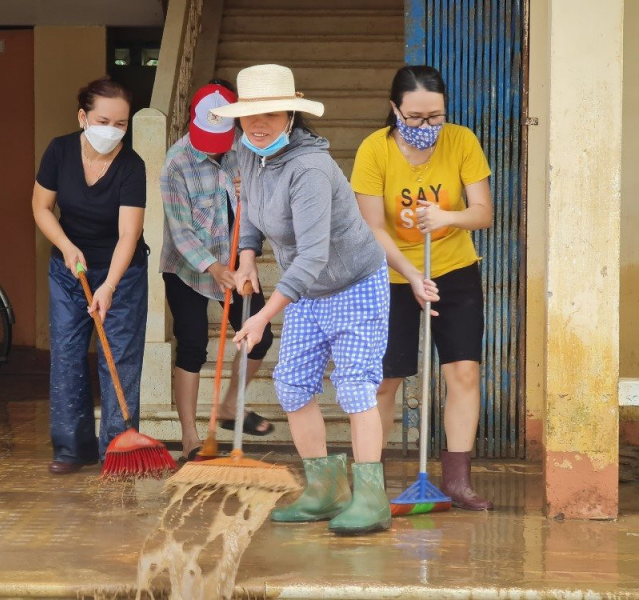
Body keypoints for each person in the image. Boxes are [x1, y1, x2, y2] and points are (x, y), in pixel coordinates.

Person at [213, 64, 435, 535]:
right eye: (251, 114)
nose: (259, 124)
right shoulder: (247, 151)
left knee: (355, 387)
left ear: (291, 115)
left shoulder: (309, 168)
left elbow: (313, 254)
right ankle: (325, 491)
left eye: (272, 114)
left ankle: (370, 499)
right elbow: (248, 209)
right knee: (292, 385)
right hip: (309, 290)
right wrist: (248, 256)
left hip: (354, 283)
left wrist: (263, 317)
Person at [351, 65, 494, 510]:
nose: (426, 126)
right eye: (414, 117)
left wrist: (447, 216)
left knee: (463, 373)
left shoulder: (462, 141)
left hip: (453, 270)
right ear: (395, 109)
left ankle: (457, 482)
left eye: (435, 117)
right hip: (392, 275)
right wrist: (411, 275)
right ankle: (370, 483)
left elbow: (483, 212)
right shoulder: (374, 150)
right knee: (385, 380)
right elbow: (373, 227)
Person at [32, 76, 149, 475]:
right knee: (67, 355)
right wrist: (66, 246)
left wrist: (109, 285)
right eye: (103, 121)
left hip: (122, 272)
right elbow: (41, 207)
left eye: (121, 124)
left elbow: (129, 234)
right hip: (70, 268)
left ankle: (117, 451)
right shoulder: (59, 151)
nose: (112, 131)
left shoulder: (132, 166)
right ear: (83, 117)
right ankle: (72, 450)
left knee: (120, 358)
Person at [160, 80, 275, 463]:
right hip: (188, 268)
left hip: (236, 257)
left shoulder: (246, 149)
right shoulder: (175, 164)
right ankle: (191, 438)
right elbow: (180, 232)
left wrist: (250, 192)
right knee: (192, 343)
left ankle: (228, 406)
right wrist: (213, 267)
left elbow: (264, 209)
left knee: (260, 337)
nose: (215, 149)